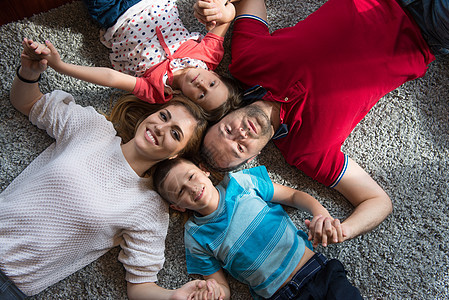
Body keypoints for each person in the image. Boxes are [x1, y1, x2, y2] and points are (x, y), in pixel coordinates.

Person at [193, 0, 441, 247]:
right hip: (423, 31)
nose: (241, 133)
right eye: (239, 147)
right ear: (252, 158)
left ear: (224, 115)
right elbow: (378, 201)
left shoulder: (246, 62)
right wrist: (342, 230)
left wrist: (218, 5)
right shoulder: (308, 153)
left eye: (227, 130)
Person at [0, 39, 217, 299]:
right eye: (163, 116)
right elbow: (27, 103)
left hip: (11, 282)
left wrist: (172, 296)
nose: (160, 128)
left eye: (175, 133)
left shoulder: (149, 206)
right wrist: (29, 72)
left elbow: (140, 286)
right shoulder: (92, 128)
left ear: (176, 153)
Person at [153, 158, 363, 299]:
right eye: (180, 191)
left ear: (204, 171)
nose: (192, 188)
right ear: (178, 207)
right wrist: (213, 292)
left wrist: (320, 214)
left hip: (317, 270)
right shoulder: (194, 236)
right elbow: (223, 289)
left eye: (191, 176)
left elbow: (293, 196)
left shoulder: (240, 182)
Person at [28, 0, 242, 121]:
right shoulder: (208, 57)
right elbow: (229, 13)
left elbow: (112, 78)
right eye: (212, 83)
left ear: (189, 103)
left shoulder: (158, 92)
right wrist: (220, 10)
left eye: (202, 95)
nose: (202, 84)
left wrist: (61, 66)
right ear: (214, 74)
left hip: (114, 16)